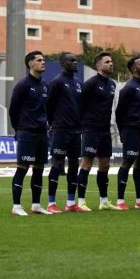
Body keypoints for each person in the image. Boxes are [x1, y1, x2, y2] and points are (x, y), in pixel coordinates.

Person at [8, 51, 51, 216]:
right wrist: (19, 129)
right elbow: (13, 110)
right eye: (39, 60)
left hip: (42, 133)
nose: (43, 62)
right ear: (30, 64)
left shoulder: (45, 85)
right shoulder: (23, 85)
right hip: (27, 132)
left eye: (44, 59)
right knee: (22, 168)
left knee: (39, 169)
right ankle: (16, 206)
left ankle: (36, 205)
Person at [77, 52, 118, 212]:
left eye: (111, 61)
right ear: (98, 66)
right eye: (107, 62)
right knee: (86, 164)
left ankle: (104, 201)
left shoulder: (112, 84)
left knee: (105, 165)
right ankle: (81, 201)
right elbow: (80, 104)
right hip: (91, 129)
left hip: (105, 130)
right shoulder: (91, 83)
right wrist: (83, 125)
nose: (111, 64)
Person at [114, 56, 140, 209]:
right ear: (133, 69)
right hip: (131, 129)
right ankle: (120, 201)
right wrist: (122, 133)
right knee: (128, 161)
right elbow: (119, 112)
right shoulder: (129, 88)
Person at [44, 52, 82, 213]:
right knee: (57, 164)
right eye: (71, 60)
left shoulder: (79, 83)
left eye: (76, 60)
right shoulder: (57, 82)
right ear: (63, 63)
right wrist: (54, 124)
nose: (75, 63)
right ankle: (51, 203)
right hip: (60, 129)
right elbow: (49, 106)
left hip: (76, 130)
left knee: (74, 165)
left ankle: (70, 202)